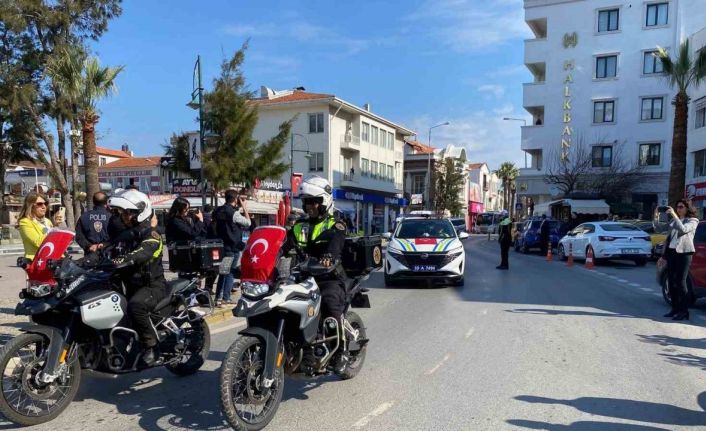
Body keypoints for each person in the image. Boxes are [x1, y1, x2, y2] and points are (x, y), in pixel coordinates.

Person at [285, 175, 348, 371]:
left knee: (329, 304)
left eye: (314, 201)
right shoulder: (299, 226)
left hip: (329, 277)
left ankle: (341, 352)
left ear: (324, 202)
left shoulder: (336, 225)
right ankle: (301, 350)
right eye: (306, 202)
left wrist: (328, 257)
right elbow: (284, 246)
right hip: (304, 277)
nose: (310, 206)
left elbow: (336, 245)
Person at [107, 189, 166, 366]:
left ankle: (152, 346)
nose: (124, 216)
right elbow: (106, 250)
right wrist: (80, 263)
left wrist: (125, 259)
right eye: (123, 213)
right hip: (130, 286)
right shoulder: (125, 235)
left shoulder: (152, 235)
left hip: (152, 286)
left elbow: (143, 252)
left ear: (140, 212)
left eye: (128, 213)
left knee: (136, 306)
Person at [659, 200, 699, 321]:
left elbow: (683, 229)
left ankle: (684, 311)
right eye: (677, 207)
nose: (678, 209)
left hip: (684, 253)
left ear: (687, 208)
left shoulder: (693, 221)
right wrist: (656, 216)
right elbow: (660, 229)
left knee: (681, 282)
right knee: (671, 282)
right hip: (671, 252)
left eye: (681, 207)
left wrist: (674, 215)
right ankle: (675, 308)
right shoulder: (673, 220)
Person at [213, 190, 250, 307]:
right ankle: (226, 298)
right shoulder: (233, 213)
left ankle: (218, 297)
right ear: (235, 199)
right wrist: (244, 207)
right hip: (233, 246)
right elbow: (248, 223)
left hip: (221, 245)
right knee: (230, 273)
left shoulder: (218, 210)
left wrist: (238, 208)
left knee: (223, 272)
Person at [17, 191, 54, 260]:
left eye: (45, 203)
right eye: (40, 204)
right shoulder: (25, 222)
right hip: (36, 261)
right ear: (31, 206)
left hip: (51, 259)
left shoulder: (48, 221)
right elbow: (38, 242)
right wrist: (51, 230)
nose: (44, 206)